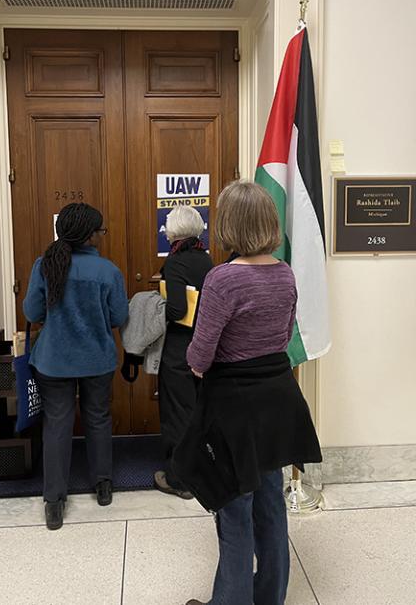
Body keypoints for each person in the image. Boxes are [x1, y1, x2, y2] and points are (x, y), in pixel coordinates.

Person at [172, 181, 322, 605]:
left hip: (234, 407)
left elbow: (199, 356)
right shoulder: (285, 273)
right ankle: (269, 598)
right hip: (278, 400)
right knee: (271, 509)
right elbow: (286, 332)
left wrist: (201, 362)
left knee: (235, 514)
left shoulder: (223, 279)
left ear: (228, 226)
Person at [23, 203, 128, 531]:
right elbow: (119, 318)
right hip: (97, 359)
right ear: (90, 235)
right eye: (101, 230)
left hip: (53, 362)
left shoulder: (45, 265)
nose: (102, 235)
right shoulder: (107, 271)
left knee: (56, 424)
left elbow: (31, 312)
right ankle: (103, 486)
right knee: (98, 418)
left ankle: (54, 501)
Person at [154, 205, 213, 499]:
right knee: (198, 412)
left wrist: (153, 307)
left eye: (167, 226)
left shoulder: (175, 262)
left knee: (177, 414)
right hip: (206, 347)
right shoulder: (207, 259)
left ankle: (179, 480)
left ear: (174, 232)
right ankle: (201, 473)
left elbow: (177, 309)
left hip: (179, 350)